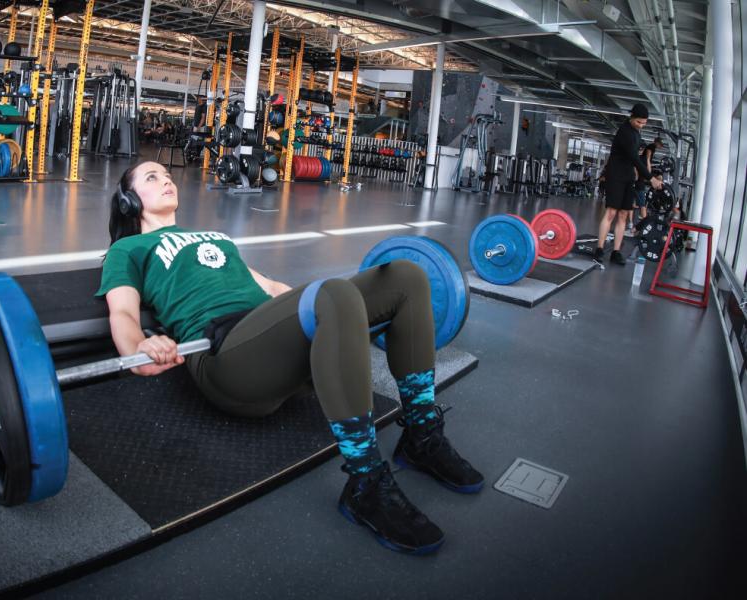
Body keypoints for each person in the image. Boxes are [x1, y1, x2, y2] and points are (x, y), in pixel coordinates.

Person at [97, 161, 484, 555]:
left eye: (166, 174)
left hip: (270, 342)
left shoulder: (211, 237)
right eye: (151, 178)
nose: (166, 180)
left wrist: (341, 320)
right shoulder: (129, 249)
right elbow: (123, 314)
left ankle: (421, 437)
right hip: (225, 358)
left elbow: (271, 287)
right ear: (129, 201)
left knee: (406, 276)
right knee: (332, 293)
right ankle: (366, 484)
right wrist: (137, 350)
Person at [595, 104, 662, 265]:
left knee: (624, 215)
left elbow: (635, 160)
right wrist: (650, 177)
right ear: (631, 117)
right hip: (616, 176)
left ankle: (616, 252)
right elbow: (634, 158)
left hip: (628, 177)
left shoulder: (636, 132)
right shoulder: (624, 132)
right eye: (639, 122)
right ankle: (599, 248)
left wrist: (641, 176)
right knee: (611, 212)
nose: (641, 125)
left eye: (644, 123)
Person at [628, 137, 664, 233]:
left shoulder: (638, 158)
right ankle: (643, 225)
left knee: (634, 204)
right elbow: (646, 165)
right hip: (639, 184)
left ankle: (633, 224)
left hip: (636, 183)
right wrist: (648, 168)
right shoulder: (649, 150)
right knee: (641, 205)